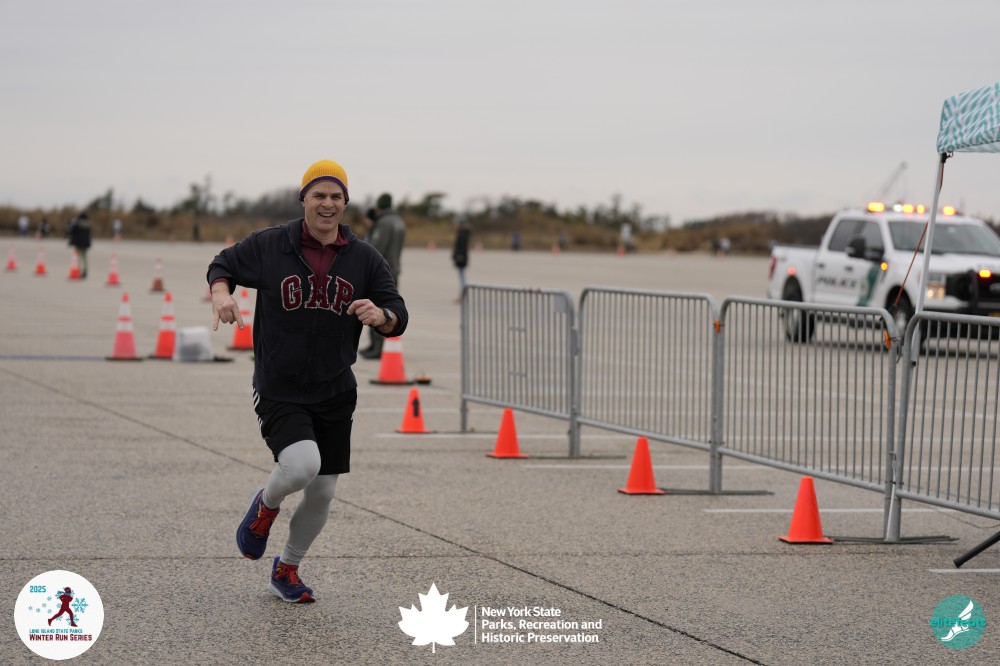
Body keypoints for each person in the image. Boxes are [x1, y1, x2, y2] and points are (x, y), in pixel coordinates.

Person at [208, 159, 407, 603]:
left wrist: (382, 316)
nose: (327, 203)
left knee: (323, 492)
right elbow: (222, 264)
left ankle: (287, 569)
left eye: (336, 196)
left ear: (345, 203)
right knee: (300, 466)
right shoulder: (271, 245)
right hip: (280, 385)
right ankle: (266, 505)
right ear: (304, 200)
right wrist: (222, 294)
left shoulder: (364, 258)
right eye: (319, 194)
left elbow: (397, 313)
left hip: (334, 389)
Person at [359, 192, 405, 360]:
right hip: (394, 268)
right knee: (389, 307)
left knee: (377, 308)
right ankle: (377, 345)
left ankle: (377, 347)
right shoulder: (399, 221)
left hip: (382, 272)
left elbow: (375, 249)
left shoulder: (383, 223)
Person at [451, 215, 470, 303]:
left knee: (462, 278)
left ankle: (462, 295)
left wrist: (458, 257)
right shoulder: (462, 233)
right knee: (462, 277)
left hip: (461, 259)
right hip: (461, 258)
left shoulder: (462, 234)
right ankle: (461, 294)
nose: (455, 225)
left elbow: (461, 248)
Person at [68, 212, 92, 278]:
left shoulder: (77, 224)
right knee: (85, 257)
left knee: (79, 256)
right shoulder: (88, 224)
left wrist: (71, 242)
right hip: (86, 243)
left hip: (79, 243)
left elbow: (73, 232)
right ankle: (85, 269)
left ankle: (79, 269)